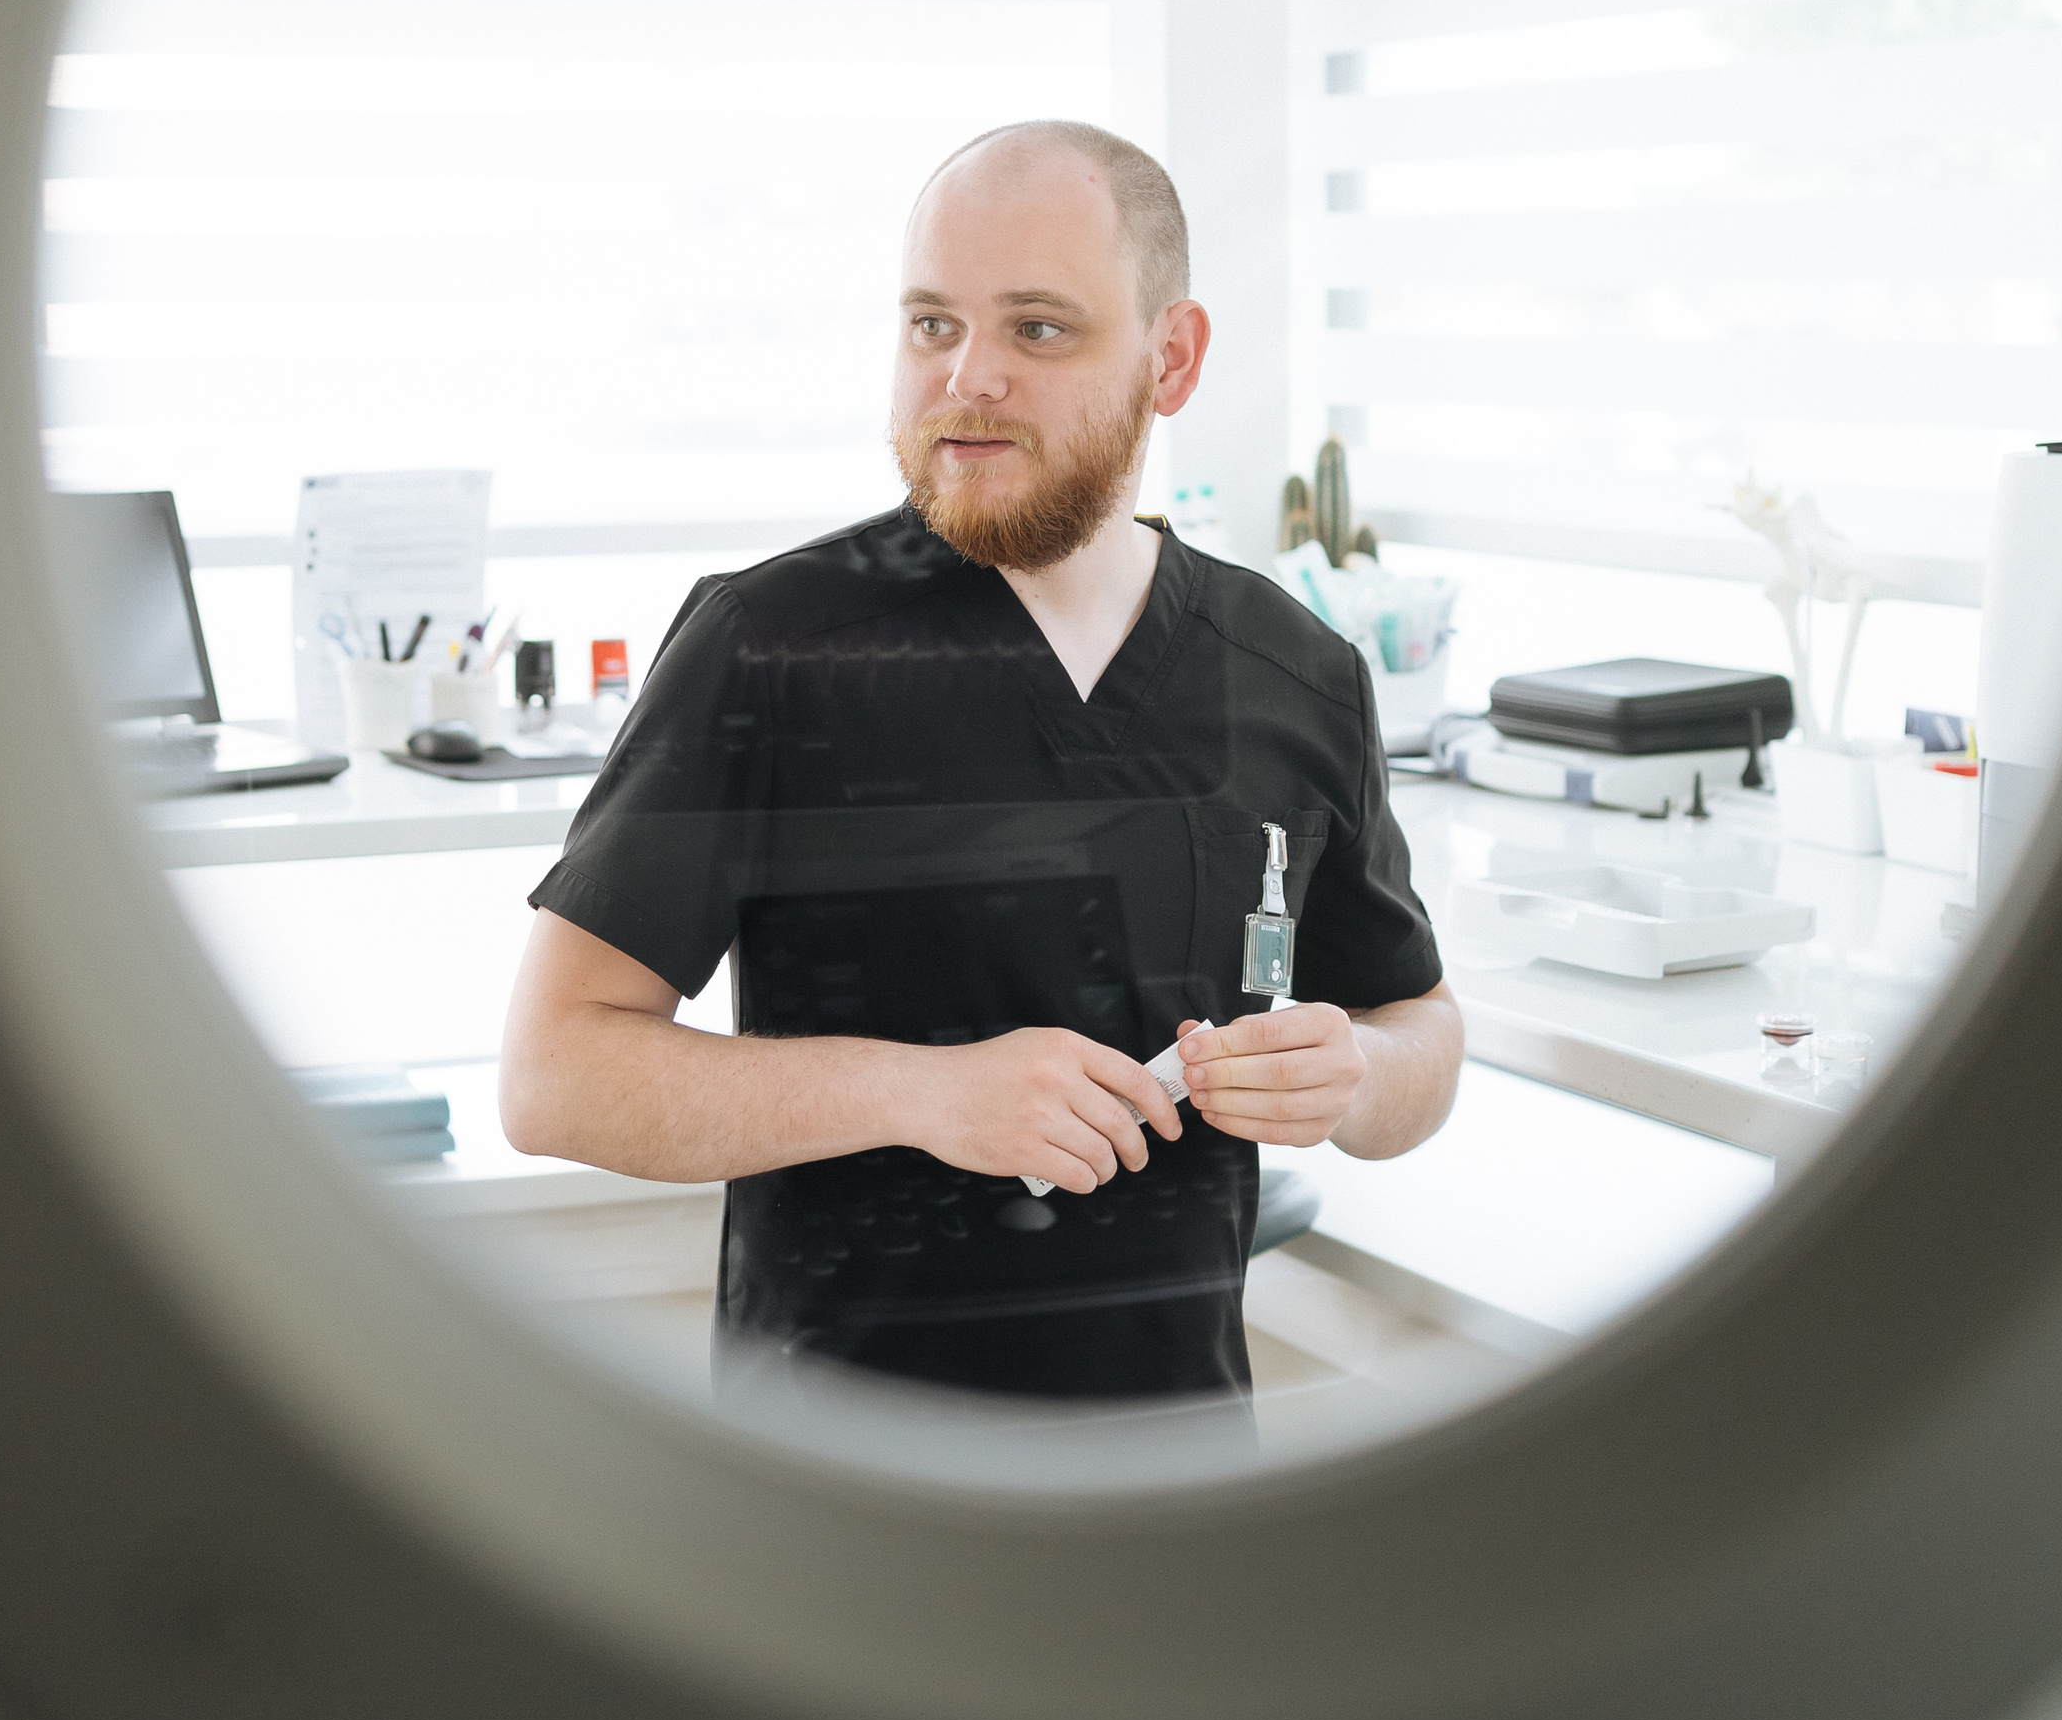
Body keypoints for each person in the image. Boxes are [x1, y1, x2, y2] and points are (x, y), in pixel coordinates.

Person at [498, 120, 1462, 1405]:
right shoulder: (769, 646)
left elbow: (1418, 1033)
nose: (968, 378)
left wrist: (1355, 1074)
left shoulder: (1295, 670)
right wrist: (923, 1095)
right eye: (931, 325)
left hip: (1176, 1465)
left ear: (1171, 359)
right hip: (845, 1472)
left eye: (1037, 329)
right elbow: (555, 1076)